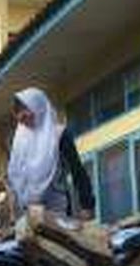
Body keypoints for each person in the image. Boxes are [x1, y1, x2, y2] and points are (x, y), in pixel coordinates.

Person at [7, 87, 95, 219]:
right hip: (30, 213)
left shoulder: (58, 134)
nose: (21, 116)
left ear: (39, 106)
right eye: (17, 112)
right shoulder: (18, 141)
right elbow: (15, 177)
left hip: (59, 208)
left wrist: (87, 205)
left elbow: (77, 170)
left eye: (26, 109)